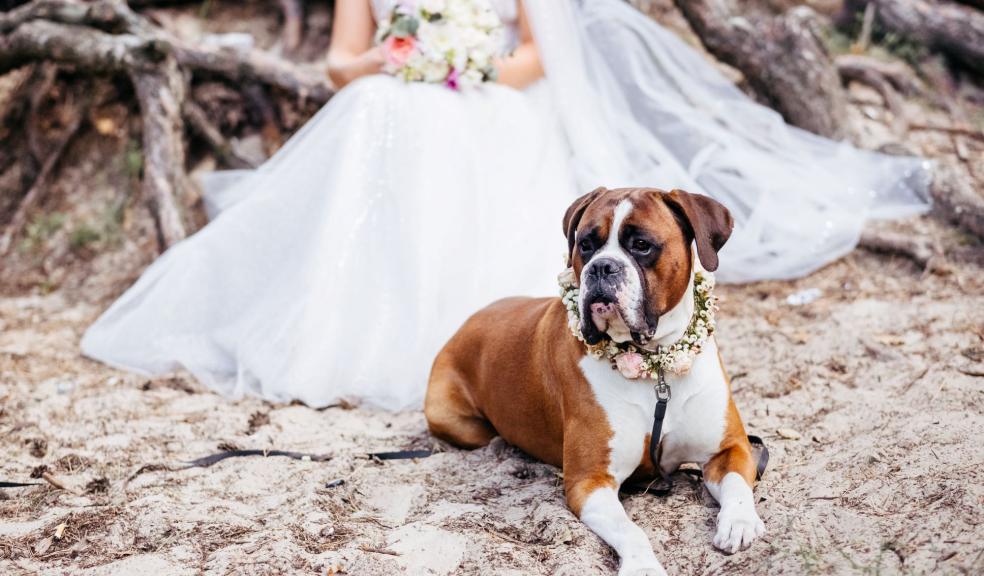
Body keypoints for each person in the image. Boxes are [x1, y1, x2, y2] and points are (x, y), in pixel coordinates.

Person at [81, 0, 931, 411]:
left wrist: (466, 69)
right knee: (378, 108)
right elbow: (341, 65)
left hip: (491, 99)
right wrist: (400, 58)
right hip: (398, 92)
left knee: (452, 122)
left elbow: (536, 55)